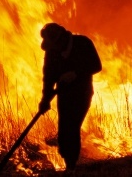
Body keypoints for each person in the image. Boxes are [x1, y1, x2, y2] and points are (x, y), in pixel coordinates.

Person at [37, 22, 102, 171]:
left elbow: (96, 65)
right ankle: (68, 163)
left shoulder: (83, 43)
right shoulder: (52, 51)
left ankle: (71, 165)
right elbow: (49, 77)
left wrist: (75, 73)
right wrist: (45, 100)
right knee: (64, 129)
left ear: (61, 40)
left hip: (82, 93)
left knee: (72, 126)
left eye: (53, 46)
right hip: (64, 94)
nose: (52, 49)